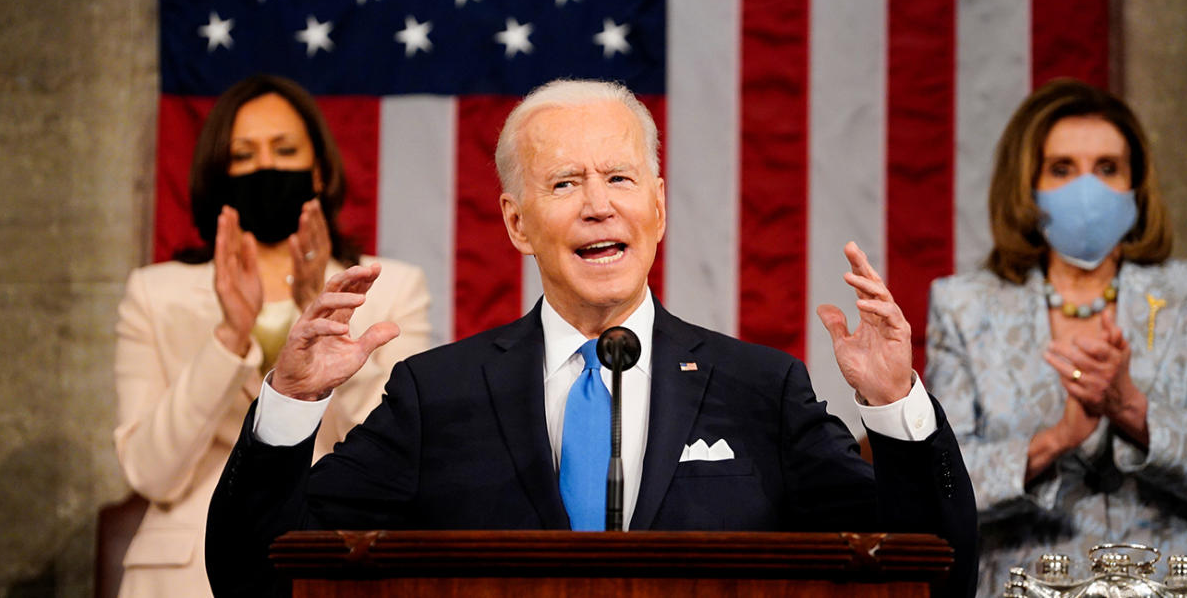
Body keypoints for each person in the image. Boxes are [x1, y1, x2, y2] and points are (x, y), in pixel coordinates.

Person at [205, 79, 978, 597]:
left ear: (660, 206)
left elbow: (932, 572)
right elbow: (255, 575)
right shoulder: (436, 395)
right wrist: (291, 403)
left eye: (620, 178)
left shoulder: (760, 389)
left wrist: (895, 406)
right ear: (517, 222)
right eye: (565, 183)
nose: (599, 206)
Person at [112, 74, 431, 598]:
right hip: (185, 578)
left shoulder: (390, 286)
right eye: (244, 155)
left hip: (338, 565)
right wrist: (229, 337)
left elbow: (402, 454)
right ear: (220, 174)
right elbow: (150, 473)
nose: (267, 167)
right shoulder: (155, 293)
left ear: (320, 170)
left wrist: (328, 322)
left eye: (285, 150)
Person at [924, 78, 1187, 595]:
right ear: (1027, 184)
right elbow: (943, 487)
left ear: (1137, 184)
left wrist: (1134, 411)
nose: (1086, 190)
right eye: (1062, 169)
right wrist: (1056, 440)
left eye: (1107, 168)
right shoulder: (966, 305)